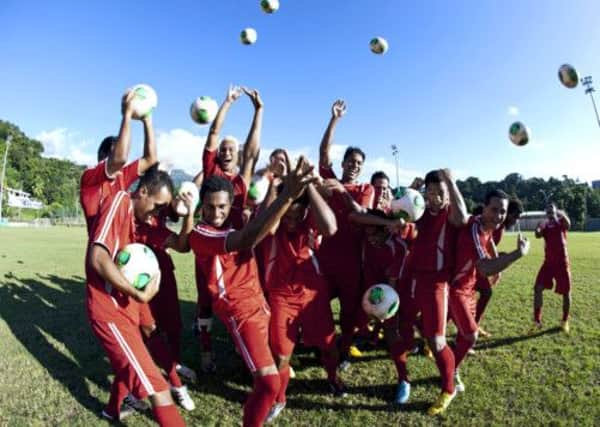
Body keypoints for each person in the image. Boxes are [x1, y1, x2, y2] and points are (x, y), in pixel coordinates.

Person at [188, 157, 316, 427]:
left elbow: (263, 221)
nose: (216, 213)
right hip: (239, 313)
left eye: (222, 206)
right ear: (202, 207)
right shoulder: (201, 233)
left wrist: (275, 184)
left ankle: (280, 401)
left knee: (280, 360)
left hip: (260, 302)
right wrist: (288, 196)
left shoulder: (233, 218)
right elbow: (249, 238)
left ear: (230, 204)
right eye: (210, 207)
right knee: (267, 382)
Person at [86, 168, 186, 426]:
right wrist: (138, 292)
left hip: (128, 309)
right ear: (142, 192)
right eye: (157, 206)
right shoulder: (120, 201)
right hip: (110, 312)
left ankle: (110, 411)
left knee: (134, 359)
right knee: (158, 389)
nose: (158, 213)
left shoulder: (141, 225)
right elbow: (98, 257)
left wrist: (189, 213)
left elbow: (183, 245)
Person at [258, 177, 346, 424]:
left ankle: (332, 376)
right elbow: (267, 223)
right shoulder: (272, 220)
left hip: (311, 295)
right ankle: (280, 398)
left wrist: (308, 186)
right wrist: (279, 191)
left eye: (298, 215)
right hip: (280, 296)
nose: (292, 221)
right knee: (281, 355)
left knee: (328, 345)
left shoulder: (310, 220)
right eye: (289, 215)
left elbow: (330, 228)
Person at [195, 85, 264, 372]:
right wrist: (227, 102)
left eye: (230, 149)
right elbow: (212, 134)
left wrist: (258, 111)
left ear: (237, 155)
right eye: (223, 148)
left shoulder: (242, 179)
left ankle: (242, 344)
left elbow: (253, 149)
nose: (225, 151)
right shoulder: (212, 172)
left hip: (236, 249)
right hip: (210, 247)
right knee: (205, 300)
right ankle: (206, 351)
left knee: (242, 300)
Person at [449, 190, 530, 394]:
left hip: (469, 285)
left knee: (462, 335)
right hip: (455, 287)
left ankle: (451, 365)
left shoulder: (488, 225)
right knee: (470, 335)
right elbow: (485, 267)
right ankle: (449, 371)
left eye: (502, 211)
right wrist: (518, 253)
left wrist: (497, 262)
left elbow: (491, 241)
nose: (499, 216)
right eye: (494, 210)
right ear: (483, 207)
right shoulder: (473, 229)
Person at [402, 169, 468, 415]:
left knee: (437, 340)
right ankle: (403, 377)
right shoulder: (421, 210)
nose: (435, 198)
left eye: (440, 193)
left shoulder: (450, 214)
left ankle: (448, 388)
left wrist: (451, 181)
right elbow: (400, 212)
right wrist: (411, 189)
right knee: (401, 323)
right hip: (412, 277)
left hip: (436, 283)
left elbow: (462, 219)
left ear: (448, 193)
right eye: (430, 192)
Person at [318, 99, 374, 364]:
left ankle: (344, 350)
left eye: (359, 162)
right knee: (316, 305)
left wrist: (342, 192)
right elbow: (323, 153)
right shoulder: (331, 180)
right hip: (326, 258)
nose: (354, 165)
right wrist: (334, 120)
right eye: (351, 161)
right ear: (343, 164)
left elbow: (362, 215)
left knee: (349, 313)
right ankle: (322, 343)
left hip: (352, 262)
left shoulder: (366, 190)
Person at [80, 91, 157, 234]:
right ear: (103, 155)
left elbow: (150, 159)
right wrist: (127, 114)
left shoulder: (121, 175)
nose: (125, 154)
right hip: (102, 251)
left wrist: (147, 120)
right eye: (119, 148)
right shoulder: (89, 178)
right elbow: (119, 158)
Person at [474, 198, 523, 337]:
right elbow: (485, 244)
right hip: (474, 264)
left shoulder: (498, 227)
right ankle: (425, 327)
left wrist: (498, 264)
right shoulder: (494, 225)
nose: (516, 221)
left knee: (475, 295)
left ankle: (473, 325)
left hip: (480, 263)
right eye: (515, 216)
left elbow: (490, 244)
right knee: (474, 295)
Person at [531, 202, 572, 334]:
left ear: (556, 211)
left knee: (566, 293)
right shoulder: (545, 225)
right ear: (546, 213)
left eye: (552, 211)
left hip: (562, 263)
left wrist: (560, 213)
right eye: (548, 212)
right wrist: (537, 229)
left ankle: (565, 321)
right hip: (548, 264)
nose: (550, 214)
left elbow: (569, 224)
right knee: (538, 288)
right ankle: (537, 321)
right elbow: (538, 235)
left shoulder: (561, 222)